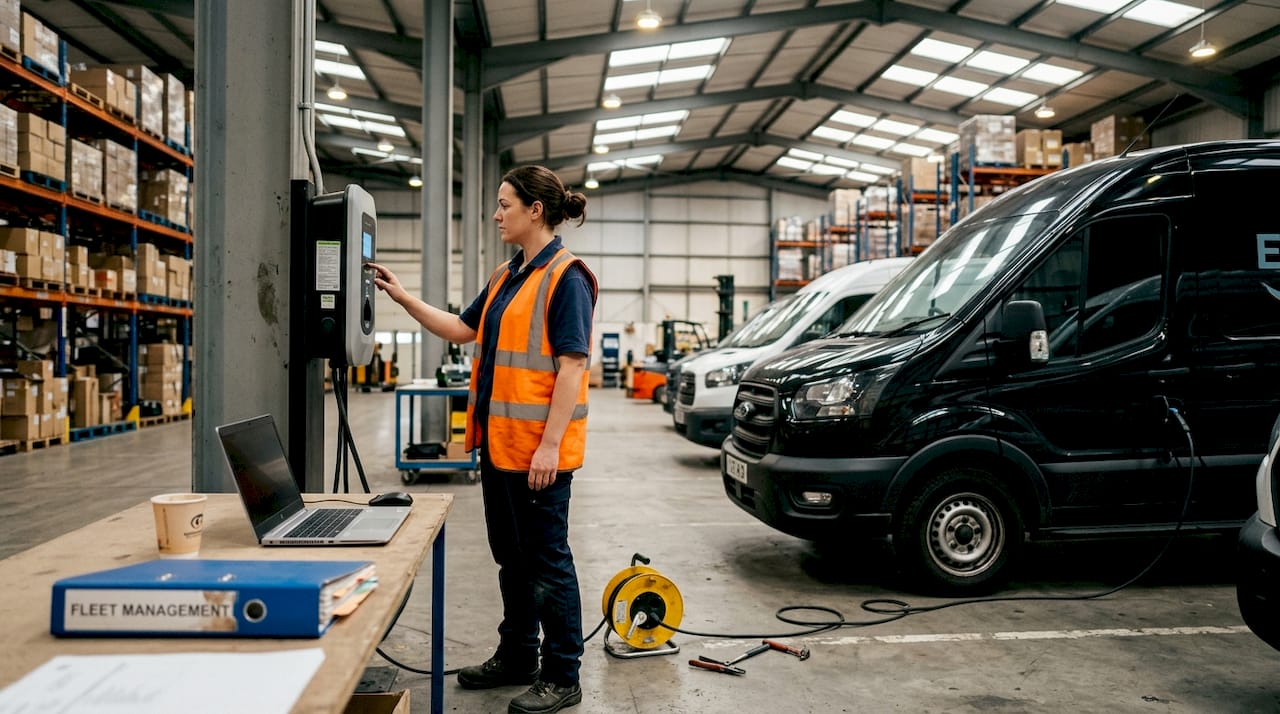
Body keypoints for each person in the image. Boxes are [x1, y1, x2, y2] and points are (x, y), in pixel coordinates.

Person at [366, 165, 597, 714]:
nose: (496, 215)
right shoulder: (505, 275)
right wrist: (403, 298)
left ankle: (563, 674)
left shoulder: (566, 277)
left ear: (534, 211)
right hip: (499, 450)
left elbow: (572, 367)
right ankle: (519, 655)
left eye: (504, 204)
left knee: (547, 563)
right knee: (511, 561)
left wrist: (548, 446)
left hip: (539, 456)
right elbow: (462, 329)